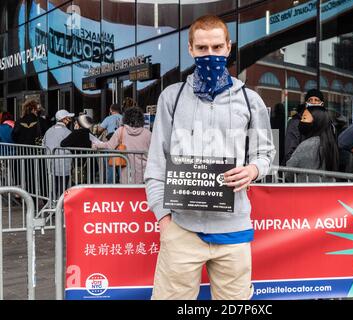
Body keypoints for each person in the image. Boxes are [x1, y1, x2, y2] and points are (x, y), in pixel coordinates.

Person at [144, 15, 275, 300]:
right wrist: (163, 220)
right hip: (182, 228)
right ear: (190, 49)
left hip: (234, 231)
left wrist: (253, 170)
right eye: (202, 48)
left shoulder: (251, 101)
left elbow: (265, 153)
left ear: (228, 47)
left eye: (217, 47)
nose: (210, 54)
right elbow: (156, 162)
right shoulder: (172, 97)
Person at [94, 107, 151, 184]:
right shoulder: (148, 133)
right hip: (145, 172)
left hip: (127, 172)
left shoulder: (121, 130)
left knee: (127, 193)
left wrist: (97, 145)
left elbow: (109, 146)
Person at [285, 105, 339, 182]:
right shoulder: (331, 143)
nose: (301, 121)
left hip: (306, 191)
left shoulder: (307, 145)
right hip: (327, 191)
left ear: (316, 122)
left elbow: (289, 172)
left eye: (304, 118)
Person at [283, 89, 324, 165]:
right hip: (301, 171)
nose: (313, 102)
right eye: (310, 100)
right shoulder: (296, 122)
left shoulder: (325, 122)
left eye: (316, 100)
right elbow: (290, 152)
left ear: (322, 103)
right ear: (306, 103)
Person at [43, 109, 74, 198]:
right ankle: (61, 208)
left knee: (54, 188)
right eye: (68, 118)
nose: (69, 120)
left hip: (51, 165)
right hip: (64, 165)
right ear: (64, 119)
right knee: (63, 189)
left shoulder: (48, 131)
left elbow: (43, 144)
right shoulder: (68, 132)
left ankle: (54, 206)